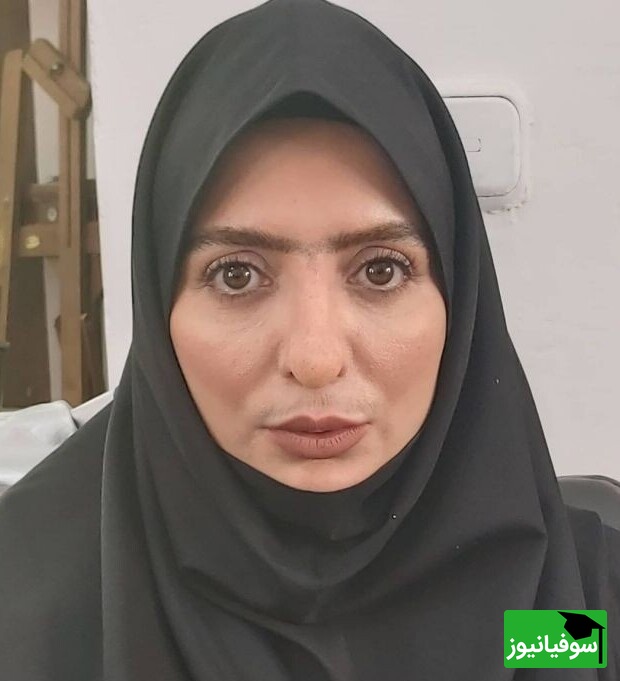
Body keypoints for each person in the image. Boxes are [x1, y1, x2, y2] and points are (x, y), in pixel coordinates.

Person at [0, 0, 618, 679]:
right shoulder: (27, 612)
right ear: (157, 300)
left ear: (460, 294)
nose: (316, 359)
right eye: (236, 275)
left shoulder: (572, 600)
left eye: (381, 270)